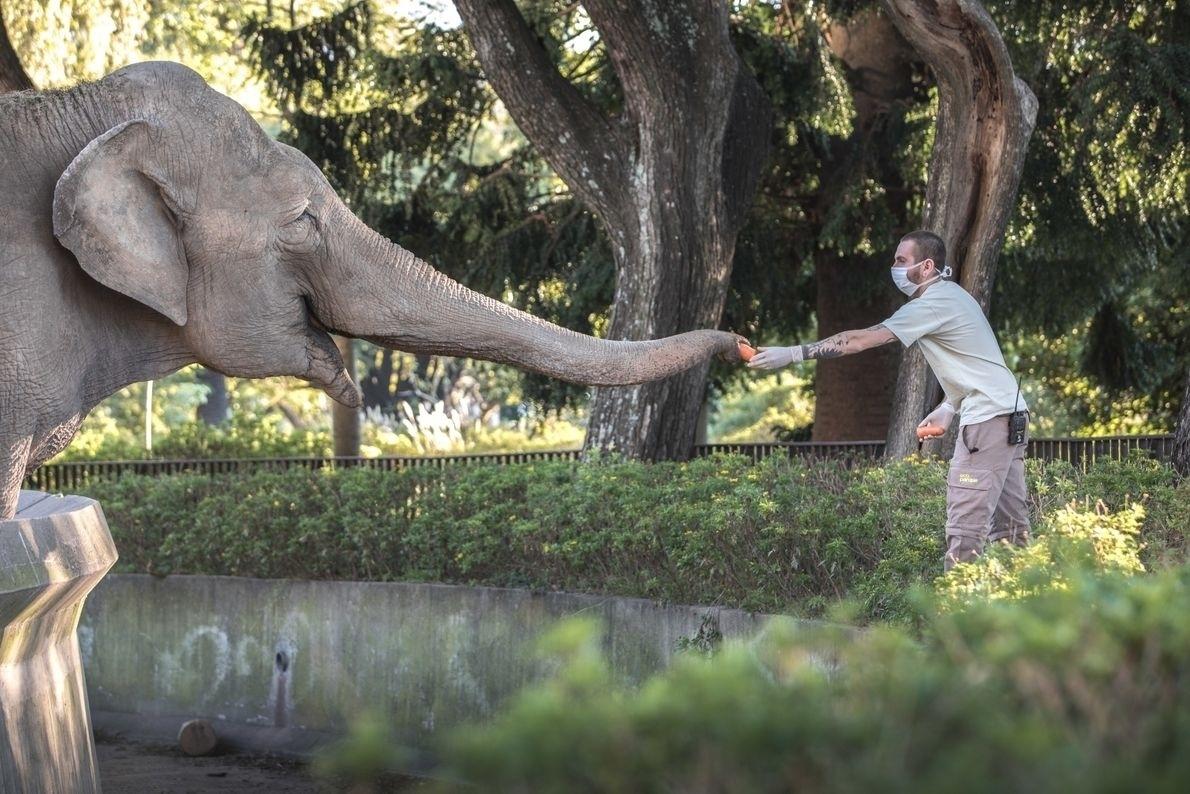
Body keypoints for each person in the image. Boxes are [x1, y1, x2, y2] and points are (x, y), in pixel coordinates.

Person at [748, 230, 1030, 571]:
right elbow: (976, 361)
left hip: (987, 424)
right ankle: (1026, 616)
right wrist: (948, 407)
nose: (894, 267)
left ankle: (957, 621)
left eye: (901, 261)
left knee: (964, 534)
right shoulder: (954, 296)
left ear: (926, 267)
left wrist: (790, 354)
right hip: (1009, 416)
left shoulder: (931, 304)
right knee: (1012, 533)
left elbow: (857, 341)